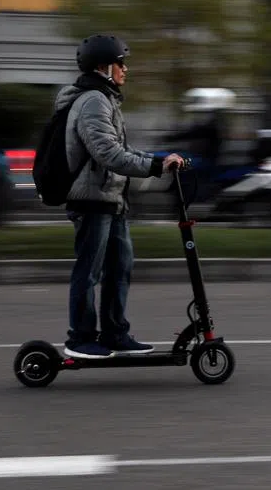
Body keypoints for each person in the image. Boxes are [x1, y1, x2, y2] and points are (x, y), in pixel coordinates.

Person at [53, 34, 184, 360]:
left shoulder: (106, 99)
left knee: (120, 267)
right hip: (91, 199)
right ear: (104, 67)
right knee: (90, 271)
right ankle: (80, 338)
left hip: (111, 198)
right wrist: (154, 166)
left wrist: (159, 159)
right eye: (121, 63)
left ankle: (114, 333)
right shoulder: (93, 101)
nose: (126, 69)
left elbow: (122, 151)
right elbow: (108, 154)